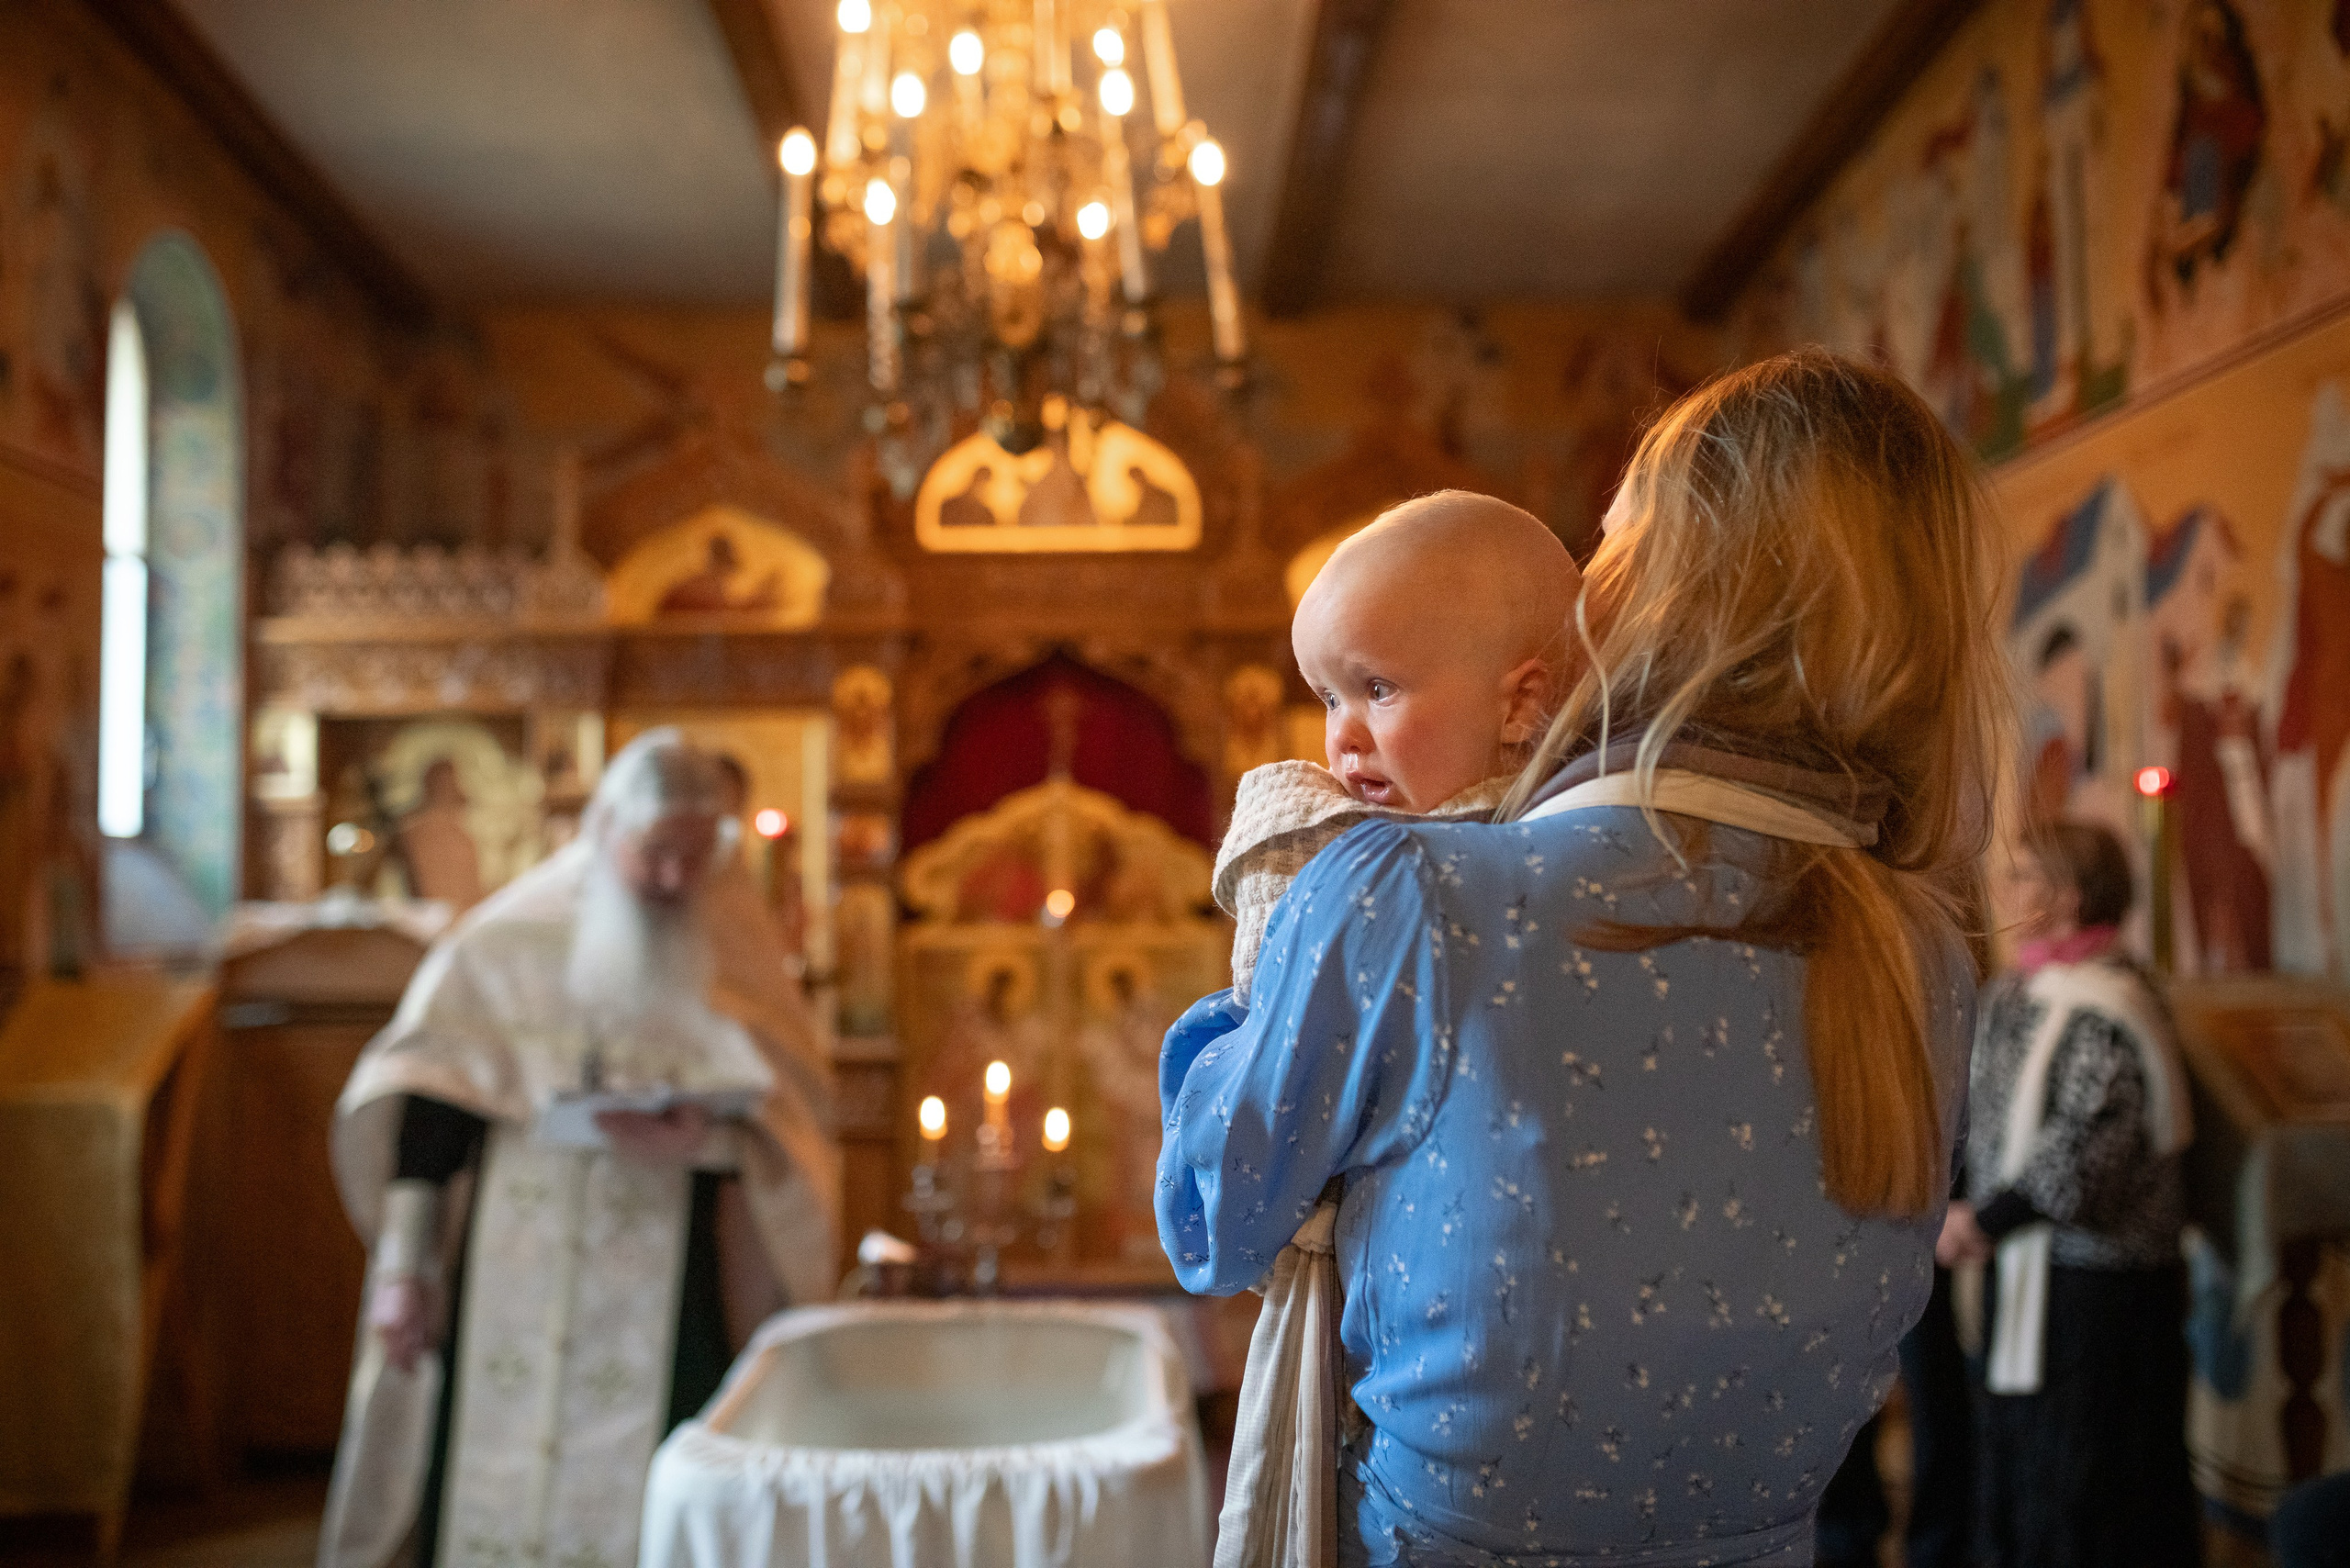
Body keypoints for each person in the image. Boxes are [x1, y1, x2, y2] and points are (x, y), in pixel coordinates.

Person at [1159, 348, 2003, 1564]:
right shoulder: (1926, 947)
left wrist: (1254, 974)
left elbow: (1215, 1217)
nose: (1586, 574)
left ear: (1675, 581)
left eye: (1614, 539)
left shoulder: (1412, 893)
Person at [318, 730, 839, 1568]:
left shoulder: (733, 944)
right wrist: (404, 1271)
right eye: (655, 854)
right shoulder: (503, 941)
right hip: (513, 1264)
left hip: (671, 1271)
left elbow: (787, 1116)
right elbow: (433, 1105)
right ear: (604, 829)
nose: (674, 880)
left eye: (695, 858)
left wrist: (705, 1136)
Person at [1937, 820, 2199, 1568]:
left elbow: (2090, 1143)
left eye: (2023, 875)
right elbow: (1979, 1117)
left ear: (2069, 896)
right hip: (2022, 1272)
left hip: (2100, 1290)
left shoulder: (2114, 1003)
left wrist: (1981, 1222)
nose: (2005, 890)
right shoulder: (2014, 993)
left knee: (2095, 1478)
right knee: (2019, 1462)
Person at [1214, 491, 1580, 1003]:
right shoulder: (1317, 844)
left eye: (1378, 690)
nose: (1341, 736)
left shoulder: (1576, 841)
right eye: (1330, 699)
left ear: (1520, 706)